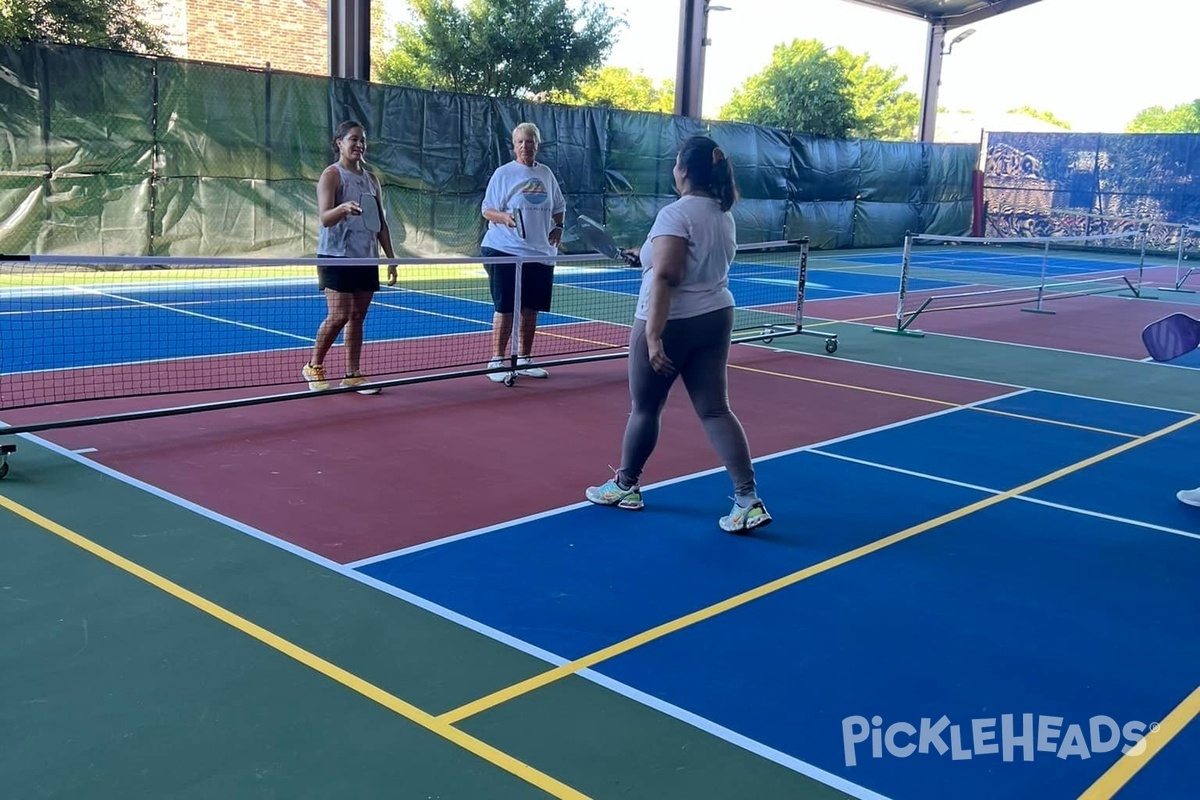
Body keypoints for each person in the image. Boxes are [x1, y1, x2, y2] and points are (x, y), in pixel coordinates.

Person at [585, 135, 771, 534]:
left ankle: (625, 486)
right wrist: (645, 256)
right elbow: (675, 260)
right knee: (716, 409)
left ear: (684, 171)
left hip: (673, 322)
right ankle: (747, 499)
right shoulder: (723, 213)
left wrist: (653, 335)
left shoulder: (675, 214)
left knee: (645, 408)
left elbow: (668, 275)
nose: (673, 169)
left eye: (675, 164)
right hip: (716, 315)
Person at [302, 120, 397, 394]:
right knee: (340, 314)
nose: (359, 144)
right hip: (336, 256)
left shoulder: (371, 179)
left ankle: (352, 374)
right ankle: (314, 366)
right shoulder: (331, 175)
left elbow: (380, 222)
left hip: (366, 257)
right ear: (339, 143)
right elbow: (325, 218)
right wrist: (342, 208)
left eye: (362, 140)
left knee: (358, 315)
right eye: (353, 139)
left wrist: (390, 258)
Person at [479, 122, 566, 382]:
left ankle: (525, 358)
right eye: (520, 142)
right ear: (514, 145)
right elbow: (486, 209)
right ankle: (496, 361)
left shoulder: (547, 174)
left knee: (531, 308)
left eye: (530, 141)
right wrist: (504, 217)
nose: (525, 146)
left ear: (538, 144)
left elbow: (559, 205)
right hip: (504, 249)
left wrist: (559, 227)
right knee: (505, 307)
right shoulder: (503, 174)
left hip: (540, 252)